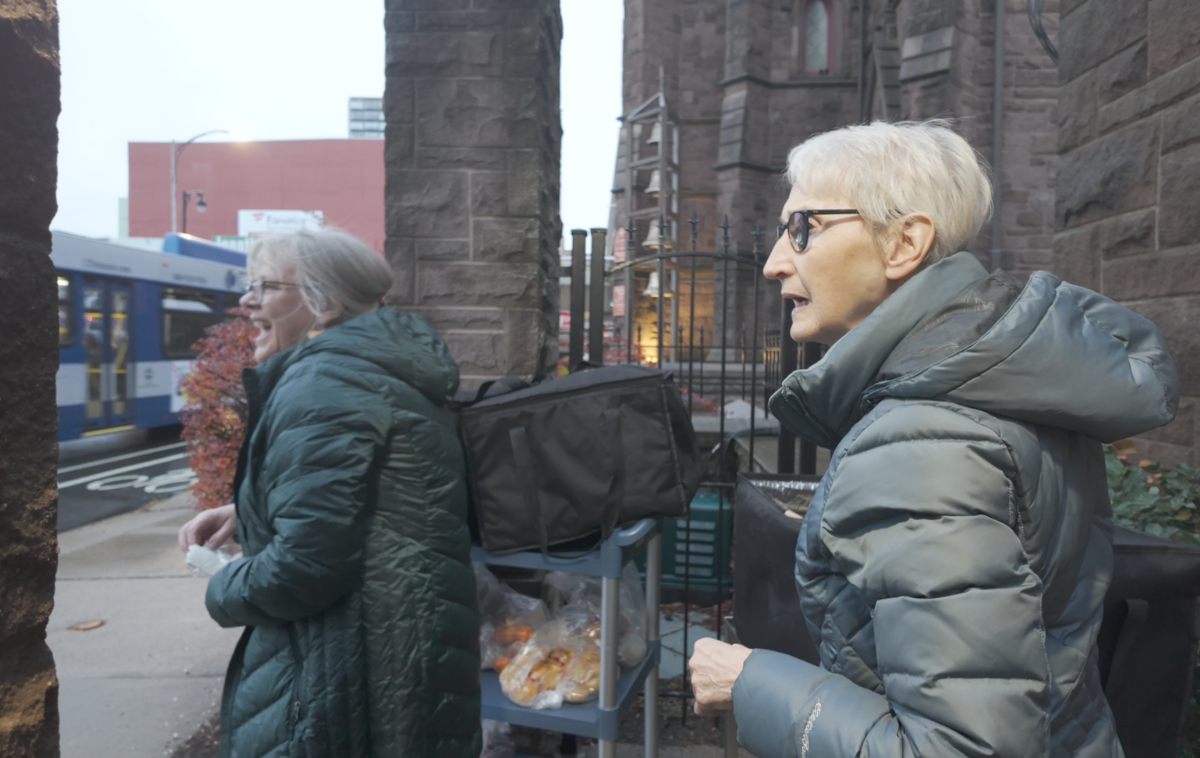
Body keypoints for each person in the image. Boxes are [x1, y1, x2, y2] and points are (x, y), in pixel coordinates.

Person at [689, 120, 1178, 757]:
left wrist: (750, 682)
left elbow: (960, 748)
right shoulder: (996, 385)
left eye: (803, 227)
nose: (775, 261)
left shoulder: (925, 445)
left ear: (903, 243)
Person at [178, 229, 481, 757]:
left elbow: (304, 569)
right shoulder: (376, 365)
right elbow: (376, 496)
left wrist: (222, 582)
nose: (247, 301)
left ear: (327, 303)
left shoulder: (324, 382)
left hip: (349, 668)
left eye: (265, 286)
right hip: (401, 648)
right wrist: (249, 510)